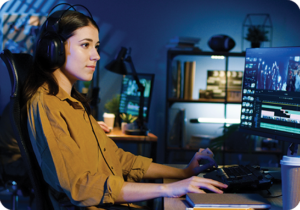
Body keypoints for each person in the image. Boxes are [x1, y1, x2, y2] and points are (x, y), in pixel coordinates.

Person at [21, 6, 227, 210]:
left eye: (97, 46)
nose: (96, 56)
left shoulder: (74, 104)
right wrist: (167, 189)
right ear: (54, 50)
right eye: (85, 45)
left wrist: (183, 174)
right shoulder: (47, 104)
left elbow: (118, 159)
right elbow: (80, 187)